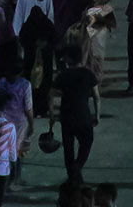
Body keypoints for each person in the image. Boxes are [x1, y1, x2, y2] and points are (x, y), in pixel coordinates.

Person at [53, 41, 100, 180]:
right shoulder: (88, 74)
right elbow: (97, 97)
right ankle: (77, 166)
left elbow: (51, 96)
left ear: (70, 59)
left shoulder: (63, 75)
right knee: (86, 142)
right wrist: (97, 115)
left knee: (68, 148)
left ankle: (72, 174)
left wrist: (51, 116)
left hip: (66, 116)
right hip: (83, 115)